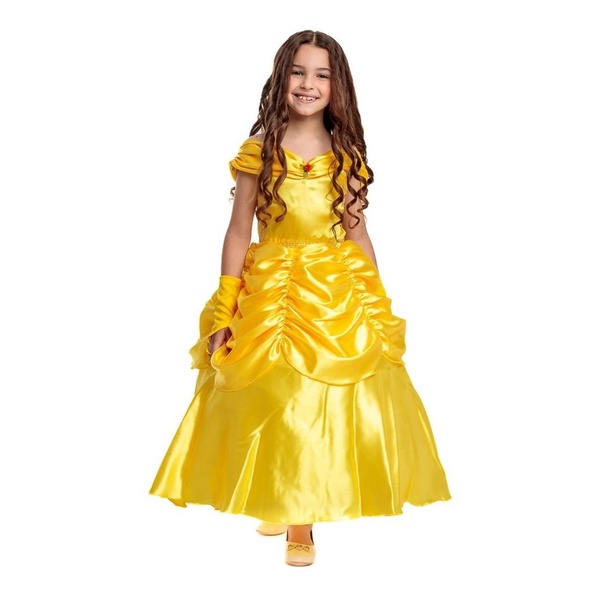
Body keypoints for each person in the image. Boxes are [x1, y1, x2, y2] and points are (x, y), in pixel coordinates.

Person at [149, 29, 451, 567]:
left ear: (337, 87)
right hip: (272, 288)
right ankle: (280, 496)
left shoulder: (345, 155)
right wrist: (226, 305)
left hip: (331, 288)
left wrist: (374, 300)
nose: (308, 84)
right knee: (273, 400)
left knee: (314, 403)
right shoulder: (259, 151)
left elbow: (356, 232)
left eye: (321, 75)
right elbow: (238, 231)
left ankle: (300, 521)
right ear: (280, 77)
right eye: (298, 71)